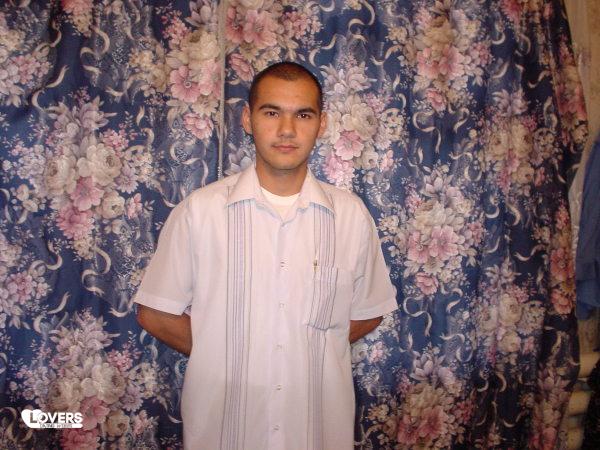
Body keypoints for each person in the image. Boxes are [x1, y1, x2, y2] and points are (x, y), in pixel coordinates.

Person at [134, 61, 397, 450]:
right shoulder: (200, 213)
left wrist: (305, 350)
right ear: (248, 119)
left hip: (318, 435)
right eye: (272, 112)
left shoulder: (351, 217)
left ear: (321, 124)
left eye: (303, 115)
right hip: (222, 436)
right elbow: (155, 312)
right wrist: (226, 352)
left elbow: (369, 310)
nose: (287, 130)